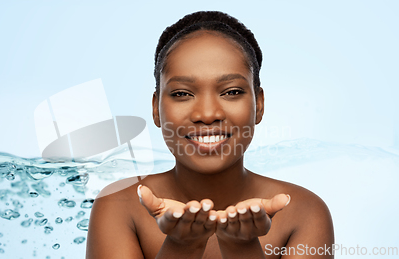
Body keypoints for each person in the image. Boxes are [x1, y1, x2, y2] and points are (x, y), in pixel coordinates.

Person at [86, 10, 334, 259]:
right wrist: (181, 245)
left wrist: (242, 246)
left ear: (259, 105)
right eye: (182, 93)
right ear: (156, 109)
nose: (207, 114)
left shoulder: (304, 212)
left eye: (231, 91)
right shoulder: (118, 206)